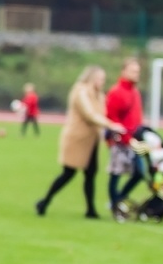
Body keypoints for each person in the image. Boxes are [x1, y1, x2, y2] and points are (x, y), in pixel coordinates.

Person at [35, 65, 114, 219]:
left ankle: (90, 210)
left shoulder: (99, 95)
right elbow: (89, 114)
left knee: (90, 173)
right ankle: (45, 201)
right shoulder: (81, 91)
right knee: (68, 173)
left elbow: (104, 113)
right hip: (77, 139)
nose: (102, 82)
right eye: (100, 78)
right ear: (92, 78)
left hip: (91, 140)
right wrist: (110, 125)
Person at [105, 59, 145, 218]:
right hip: (120, 141)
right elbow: (112, 118)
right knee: (116, 173)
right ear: (124, 71)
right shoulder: (116, 92)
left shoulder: (135, 92)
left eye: (138, 71)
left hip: (135, 140)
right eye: (133, 71)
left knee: (139, 173)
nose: (136, 74)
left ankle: (118, 200)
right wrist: (124, 137)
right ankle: (116, 207)